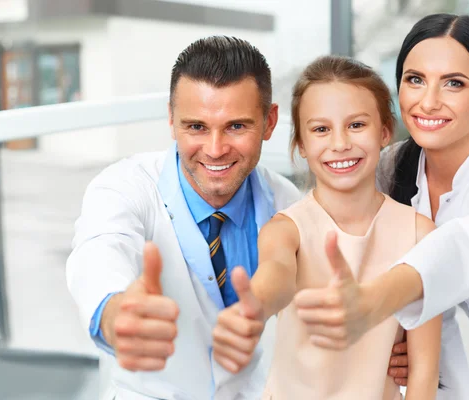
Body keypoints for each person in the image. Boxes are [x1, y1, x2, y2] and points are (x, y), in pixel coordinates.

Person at [66, 36, 300, 400]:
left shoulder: (288, 203)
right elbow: (99, 249)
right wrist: (114, 313)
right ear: (171, 120)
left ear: (269, 122)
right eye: (196, 127)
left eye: (237, 126)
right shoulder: (125, 186)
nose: (215, 149)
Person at [306, 14, 469, 400]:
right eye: (415, 79)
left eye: (454, 84)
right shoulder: (391, 168)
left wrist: (374, 301)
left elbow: (463, 249)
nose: (428, 101)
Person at [212, 55, 443, 399]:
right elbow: (276, 273)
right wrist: (255, 306)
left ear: (384, 132)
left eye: (356, 125)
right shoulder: (285, 229)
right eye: (321, 129)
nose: (339, 144)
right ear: (302, 145)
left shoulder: (420, 234)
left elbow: (424, 373)